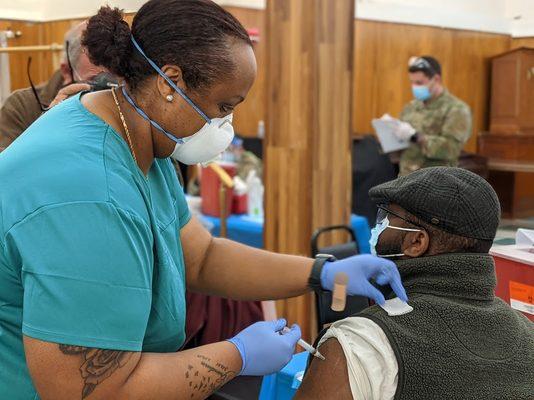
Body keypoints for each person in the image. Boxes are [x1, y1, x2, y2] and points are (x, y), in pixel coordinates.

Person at [0, 1, 407, 399]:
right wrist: (236, 355)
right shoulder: (88, 194)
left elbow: (200, 257)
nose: (225, 126)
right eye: (223, 107)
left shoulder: (139, 130)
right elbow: (93, 390)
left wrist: (322, 273)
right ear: (170, 82)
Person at [296, 167, 534, 400]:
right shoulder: (528, 334)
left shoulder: (362, 344)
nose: (377, 228)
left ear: (416, 242)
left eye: (385, 217)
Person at [0, 22, 109, 152]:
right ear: (66, 71)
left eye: (113, 79)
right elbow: (9, 168)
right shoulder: (21, 106)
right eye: (96, 81)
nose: (107, 91)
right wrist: (49, 125)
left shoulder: (123, 100)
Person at [393, 56, 472, 176]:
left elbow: (451, 149)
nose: (414, 87)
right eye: (412, 82)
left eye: (419, 83)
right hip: (406, 179)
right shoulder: (410, 108)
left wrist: (416, 136)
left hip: (436, 183)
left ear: (436, 79)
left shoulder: (457, 109)